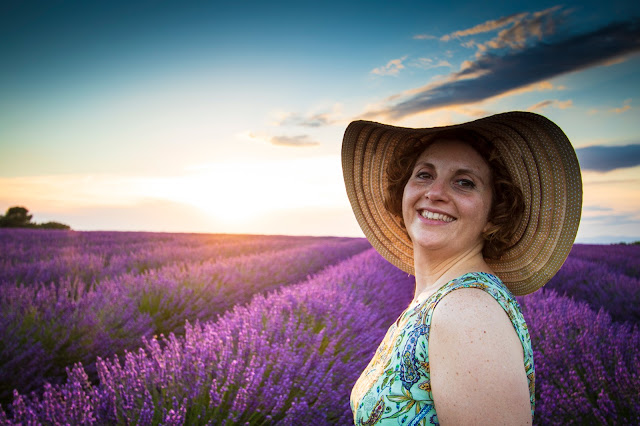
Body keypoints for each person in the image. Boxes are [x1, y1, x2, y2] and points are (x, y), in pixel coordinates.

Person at [341, 112, 582, 425]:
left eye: (464, 183)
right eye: (424, 175)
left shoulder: (466, 311)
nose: (435, 192)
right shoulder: (439, 299)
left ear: (495, 215)